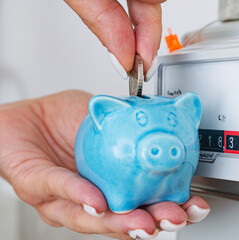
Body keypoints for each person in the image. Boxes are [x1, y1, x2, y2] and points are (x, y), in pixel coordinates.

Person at [0, 0, 210, 239]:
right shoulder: (106, 112)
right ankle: (121, 197)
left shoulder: (184, 111)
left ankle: (175, 191)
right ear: (103, 116)